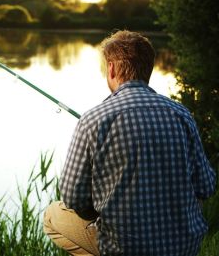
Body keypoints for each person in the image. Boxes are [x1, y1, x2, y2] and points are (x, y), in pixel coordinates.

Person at [43, 30, 216, 256]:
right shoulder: (181, 114)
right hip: (184, 248)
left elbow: (73, 197)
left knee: (52, 216)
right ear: (148, 69)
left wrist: (102, 204)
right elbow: (207, 185)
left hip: (124, 249)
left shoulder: (93, 119)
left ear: (112, 68)